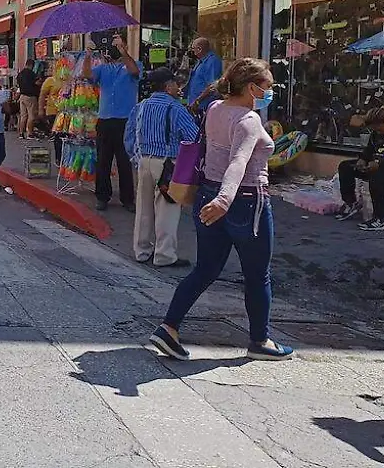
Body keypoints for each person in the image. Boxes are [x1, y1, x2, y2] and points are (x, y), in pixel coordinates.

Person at [149, 58, 294, 362]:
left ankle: (168, 327)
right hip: (245, 201)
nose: (269, 92)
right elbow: (238, 161)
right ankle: (260, 340)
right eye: (267, 87)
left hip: (208, 194)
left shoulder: (216, 108)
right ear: (252, 87)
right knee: (257, 275)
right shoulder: (248, 120)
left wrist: (218, 198)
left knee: (206, 269)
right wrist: (225, 200)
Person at [124, 68, 200, 268]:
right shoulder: (175, 108)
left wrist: (135, 156)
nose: (177, 87)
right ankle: (164, 255)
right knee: (167, 209)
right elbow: (193, 138)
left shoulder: (140, 107)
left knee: (143, 207)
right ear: (167, 86)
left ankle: (142, 250)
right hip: (167, 164)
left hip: (144, 161)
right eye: (175, 83)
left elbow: (129, 135)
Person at [83, 34, 141, 213]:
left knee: (124, 162)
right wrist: (88, 54)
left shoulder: (133, 63)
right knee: (103, 161)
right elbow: (87, 75)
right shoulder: (103, 69)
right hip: (105, 120)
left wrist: (124, 51)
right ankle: (102, 196)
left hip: (125, 121)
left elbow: (134, 72)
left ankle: (127, 199)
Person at [184, 37, 223, 113]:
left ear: (199, 49)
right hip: (195, 105)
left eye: (193, 49)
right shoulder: (200, 61)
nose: (192, 51)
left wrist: (198, 101)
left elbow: (212, 86)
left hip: (204, 106)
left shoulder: (212, 61)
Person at [15, 59, 41, 139]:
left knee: (23, 116)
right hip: (30, 96)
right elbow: (37, 83)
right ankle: (30, 133)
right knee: (31, 116)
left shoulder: (20, 74)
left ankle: (21, 133)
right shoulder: (31, 73)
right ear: (31, 65)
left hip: (22, 96)